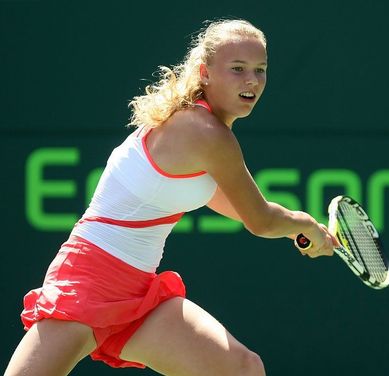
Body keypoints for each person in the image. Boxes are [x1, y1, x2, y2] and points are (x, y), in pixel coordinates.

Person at [5, 19, 337, 376]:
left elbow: (235, 205)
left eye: (260, 70)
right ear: (204, 72)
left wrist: (296, 229)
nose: (252, 81)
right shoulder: (205, 132)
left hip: (139, 293)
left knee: (242, 369)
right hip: (89, 279)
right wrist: (303, 224)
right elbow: (260, 220)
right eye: (237, 69)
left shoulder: (198, 128)